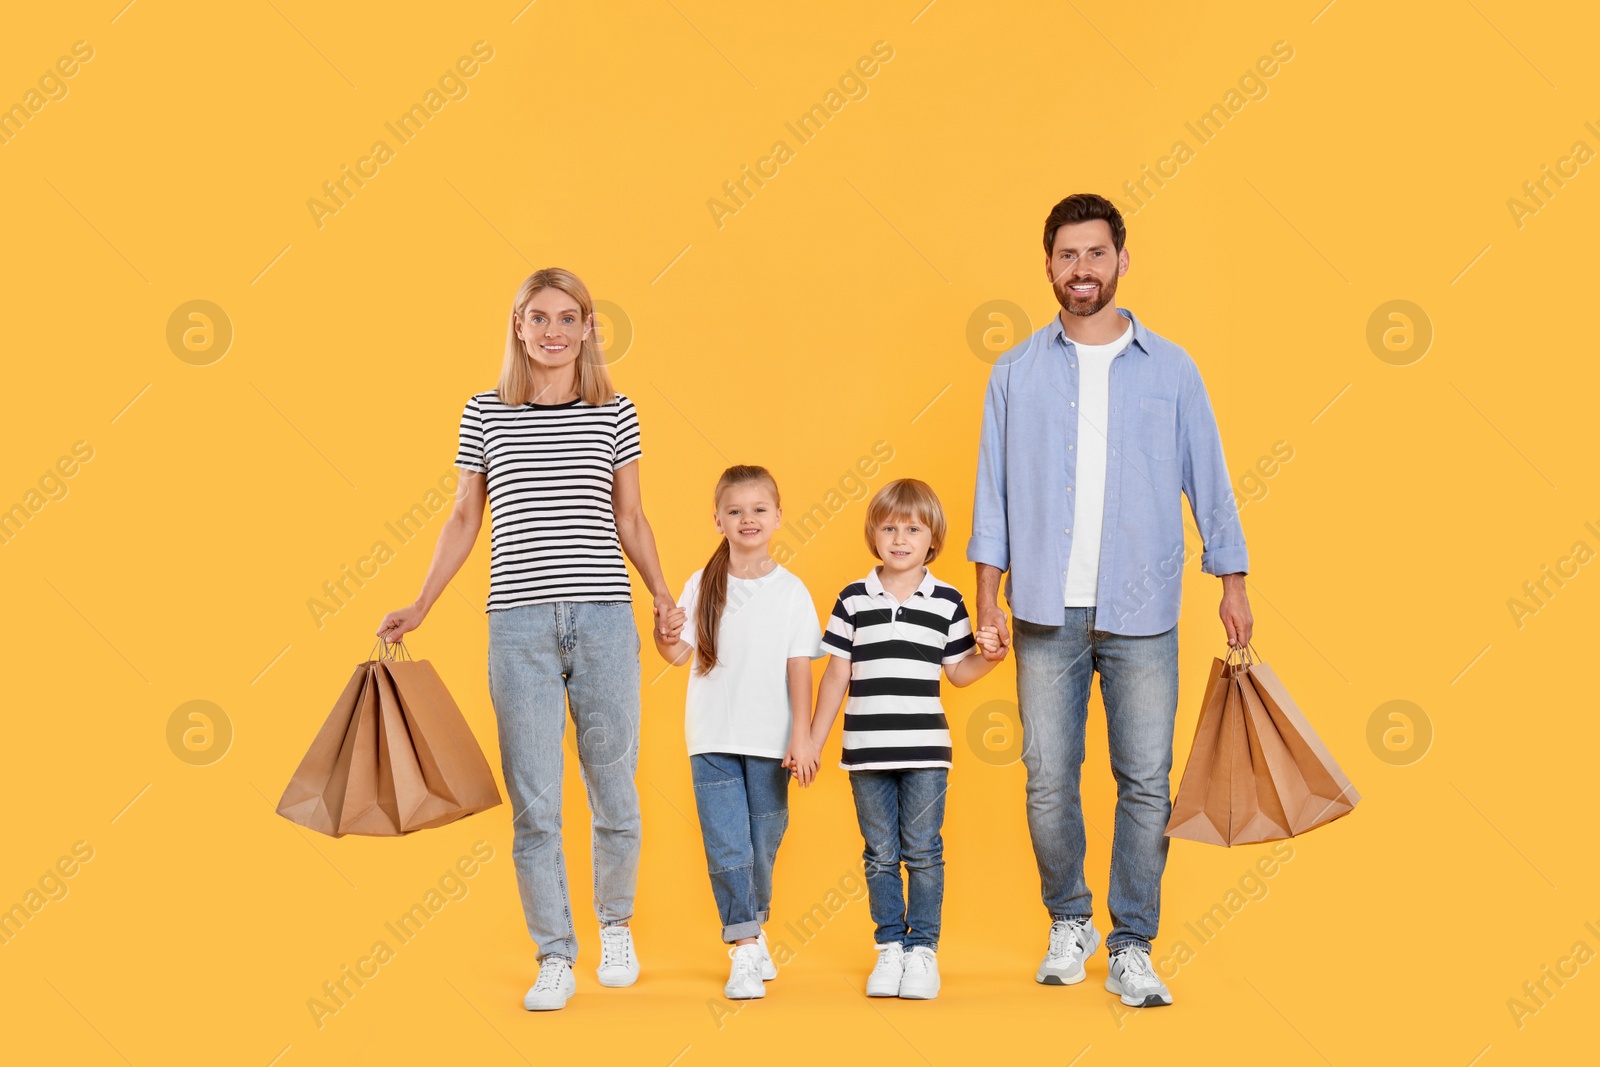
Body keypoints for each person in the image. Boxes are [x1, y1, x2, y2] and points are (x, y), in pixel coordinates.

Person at [967, 193, 1254, 1008]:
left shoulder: (1173, 368)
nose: (1082, 269)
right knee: (1046, 777)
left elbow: (1211, 477)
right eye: (1067, 256)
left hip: (1143, 609)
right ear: (1049, 264)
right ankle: (1070, 919)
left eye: (1096, 253)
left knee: (1146, 780)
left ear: (1123, 259)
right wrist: (987, 600)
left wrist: (1232, 580)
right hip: (1043, 612)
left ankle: (1132, 941)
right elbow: (992, 495)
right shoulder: (1015, 373)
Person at [377, 267, 680, 1012]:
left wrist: (664, 594)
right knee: (535, 801)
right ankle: (554, 953)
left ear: (587, 328)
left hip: (604, 618)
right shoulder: (485, 413)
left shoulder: (615, 411)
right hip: (516, 626)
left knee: (613, 786)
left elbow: (631, 518)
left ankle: (615, 925)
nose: (553, 332)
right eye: (538, 317)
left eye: (567, 318)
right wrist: (420, 602)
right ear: (518, 326)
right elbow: (462, 518)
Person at [808, 478, 1004, 1001]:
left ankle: (923, 952)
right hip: (866, 752)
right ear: (874, 534)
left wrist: (991, 657)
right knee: (878, 854)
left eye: (912, 528)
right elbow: (834, 677)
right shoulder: (852, 598)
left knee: (922, 852)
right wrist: (813, 740)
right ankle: (890, 946)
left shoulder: (947, 602)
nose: (900, 538)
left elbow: (958, 674)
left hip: (925, 754)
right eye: (890, 527)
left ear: (932, 538)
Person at [653, 464, 825, 1000]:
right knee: (727, 844)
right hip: (711, 739)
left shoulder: (792, 592)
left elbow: (802, 669)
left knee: (762, 841)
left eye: (758, 509)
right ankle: (744, 945)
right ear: (717, 520)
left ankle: (754, 918)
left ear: (778, 517)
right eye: (735, 510)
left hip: (771, 742)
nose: (747, 519)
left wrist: (803, 737)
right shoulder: (700, 584)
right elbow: (677, 654)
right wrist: (662, 633)